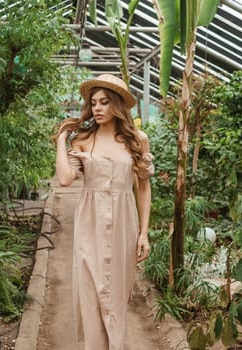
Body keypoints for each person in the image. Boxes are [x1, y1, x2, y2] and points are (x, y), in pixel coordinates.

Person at [53, 74, 154, 350]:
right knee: (90, 290)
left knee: (118, 295)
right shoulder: (84, 140)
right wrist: (63, 139)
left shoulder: (137, 140)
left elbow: (143, 189)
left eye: (104, 102)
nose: (97, 108)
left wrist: (144, 232)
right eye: (93, 103)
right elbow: (64, 179)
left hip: (124, 224)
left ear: (117, 106)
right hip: (89, 223)